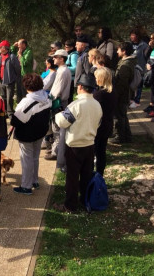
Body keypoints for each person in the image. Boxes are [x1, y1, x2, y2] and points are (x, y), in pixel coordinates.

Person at [53, 74, 102, 213]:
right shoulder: (97, 104)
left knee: (72, 177)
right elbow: (98, 122)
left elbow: (62, 122)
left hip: (74, 145)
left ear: (80, 87)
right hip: (89, 143)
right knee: (86, 174)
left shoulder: (76, 105)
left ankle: (70, 205)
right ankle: (85, 200)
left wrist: (58, 114)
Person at [10, 73, 51, 195]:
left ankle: (26, 186)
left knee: (26, 160)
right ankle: (34, 181)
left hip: (27, 135)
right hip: (40, 132)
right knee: (35, 157)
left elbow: (15, 121)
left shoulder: (27, 102)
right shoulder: (46, 97)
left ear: (26, 86)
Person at [45, 49, 72, 162]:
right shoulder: (62, 70)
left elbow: (57, 91)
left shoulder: (62, 71)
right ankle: (56, 149)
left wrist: (48, 98)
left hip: (58, 103)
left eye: (56, 57)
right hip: (61, 102)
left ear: (62, 58)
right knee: (56, 128)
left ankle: (56, 152)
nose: (53, 59)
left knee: (57, 129)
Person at [92, 68, 116, 175]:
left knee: (94, 151)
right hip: (108, 124)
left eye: (96, 77)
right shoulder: (112, 91)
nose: (95, 79)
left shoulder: (99, 94)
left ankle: (91, 174)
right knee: (101, 152)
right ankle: (100, 174)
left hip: (99, 126)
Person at [111, 42, 136, 144]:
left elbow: (122, 83)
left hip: (122, 94)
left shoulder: (125, 65)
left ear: (124, 51)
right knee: (123, 115)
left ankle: (120, 137)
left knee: (119, 116)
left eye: (118, 49)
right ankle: (127, 136)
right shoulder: (125, 61)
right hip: (124, 93)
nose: (117, 51)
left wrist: (116, 95)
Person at [0, 40, 21, 117]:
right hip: (1, 80)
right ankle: (4, 112)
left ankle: (10, 114)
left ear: (4, 48)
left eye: (0, 47)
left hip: (10, 81)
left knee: (10, 98)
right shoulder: (0, 57)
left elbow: (18, 68)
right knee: (3, 97)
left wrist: (14, 78)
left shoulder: (12, 57)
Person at [142, 32, 154, 115]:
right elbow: (146, 55)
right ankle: (152, 105)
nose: (150, 40)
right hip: (150, 71)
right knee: (153, 90)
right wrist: (149, 46)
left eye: (152, 38)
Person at [129, 29, 149, 108]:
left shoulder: (144, 45)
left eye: (133, 35)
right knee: (130, 84)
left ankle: (137, 101)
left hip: (140, 68)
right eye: (131, 35)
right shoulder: (129, 44)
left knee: (139, 85)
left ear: (138, 36)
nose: (131, 37)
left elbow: (146, 56)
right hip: (130, 67)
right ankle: (130, 100)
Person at [12, 38, 34, 103]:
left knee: (25, 91)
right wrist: (13, 46)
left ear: (24, 45)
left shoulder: (29, 52)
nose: (18, 46)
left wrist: (20, 55)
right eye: (17, 44)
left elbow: (25, 63)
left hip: (26, 74)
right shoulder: (20, 50)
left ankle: (26, 105)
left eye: (19, 44)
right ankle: (19, 104)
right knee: (19, 91)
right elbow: (11, 53)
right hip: (19, 74)